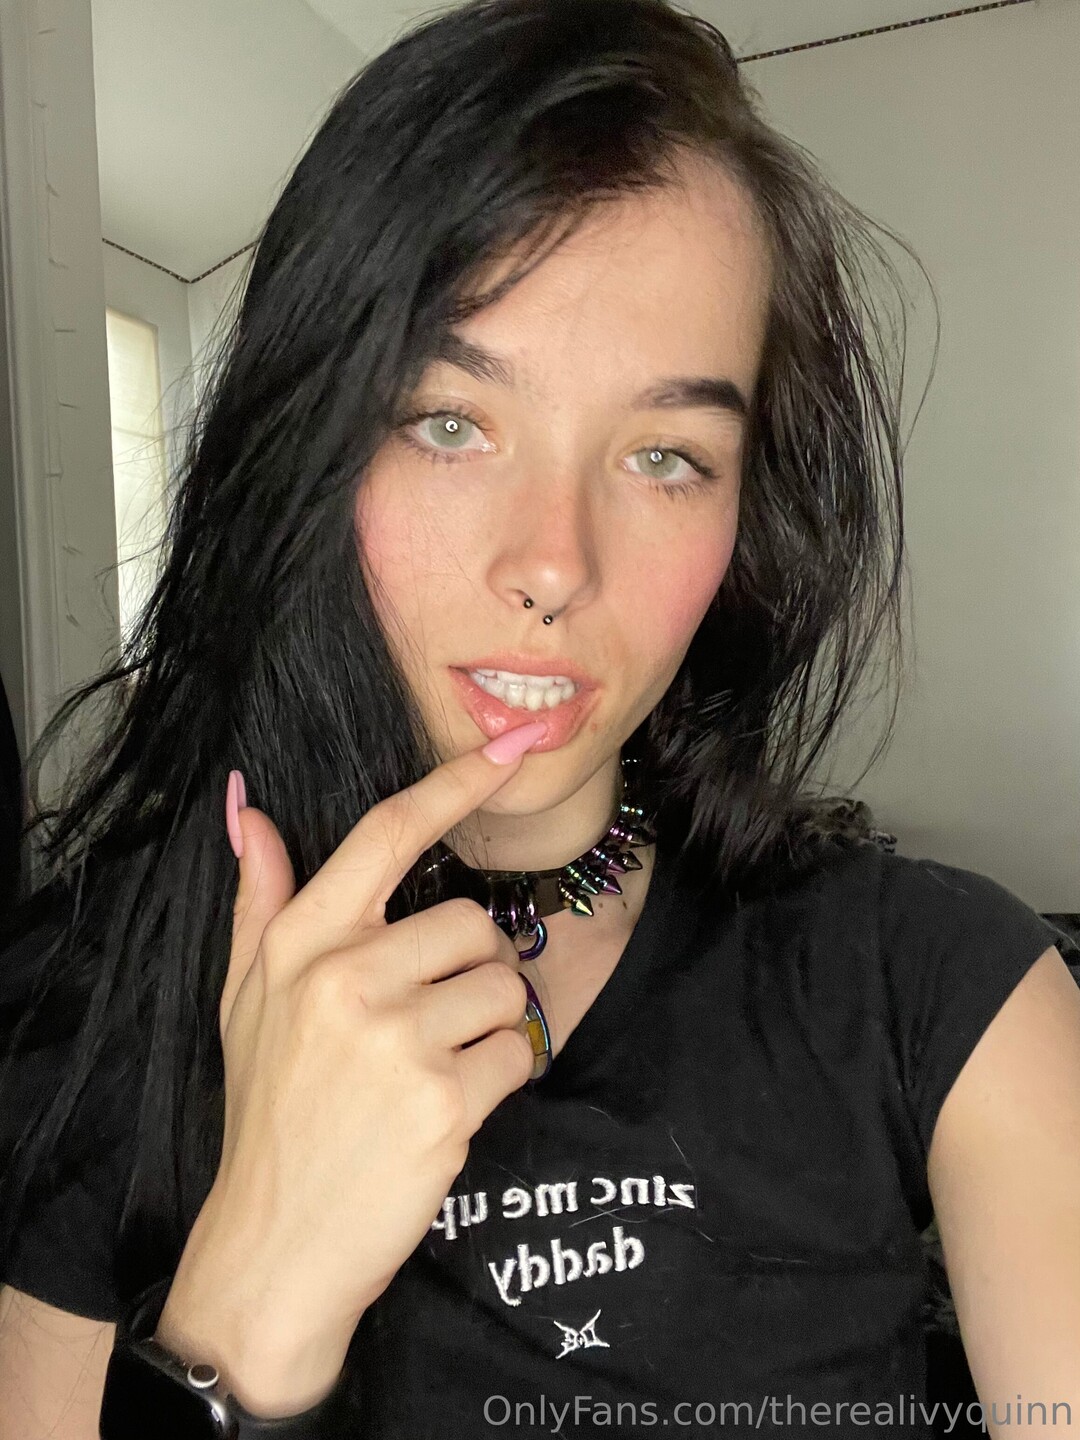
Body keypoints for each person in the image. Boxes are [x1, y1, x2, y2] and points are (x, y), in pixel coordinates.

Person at [1, 1, 1079, 1435]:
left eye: (664, 455)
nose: (555, 563)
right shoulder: (86, 1012)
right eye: (451, 422)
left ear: (751, 516)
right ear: (312, 440)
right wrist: (245, 1313)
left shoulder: (947, 984)